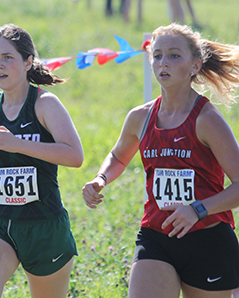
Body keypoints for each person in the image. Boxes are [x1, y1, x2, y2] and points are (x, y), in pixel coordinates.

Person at [82, 23, 239, 297]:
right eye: (157, 55)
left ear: (194, 66)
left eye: (174, 55)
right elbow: (118, 156)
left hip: (207, 238)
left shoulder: (207, 120)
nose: (163, 63)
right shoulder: (140, 117)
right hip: (156, 236)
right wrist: (101, 178)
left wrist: (198, 209)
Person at [0, 24, 83, 298]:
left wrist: (19, 145)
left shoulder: (46, 104)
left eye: (7, 57)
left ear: (28, 61)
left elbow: (75, 155)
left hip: (43, 224)